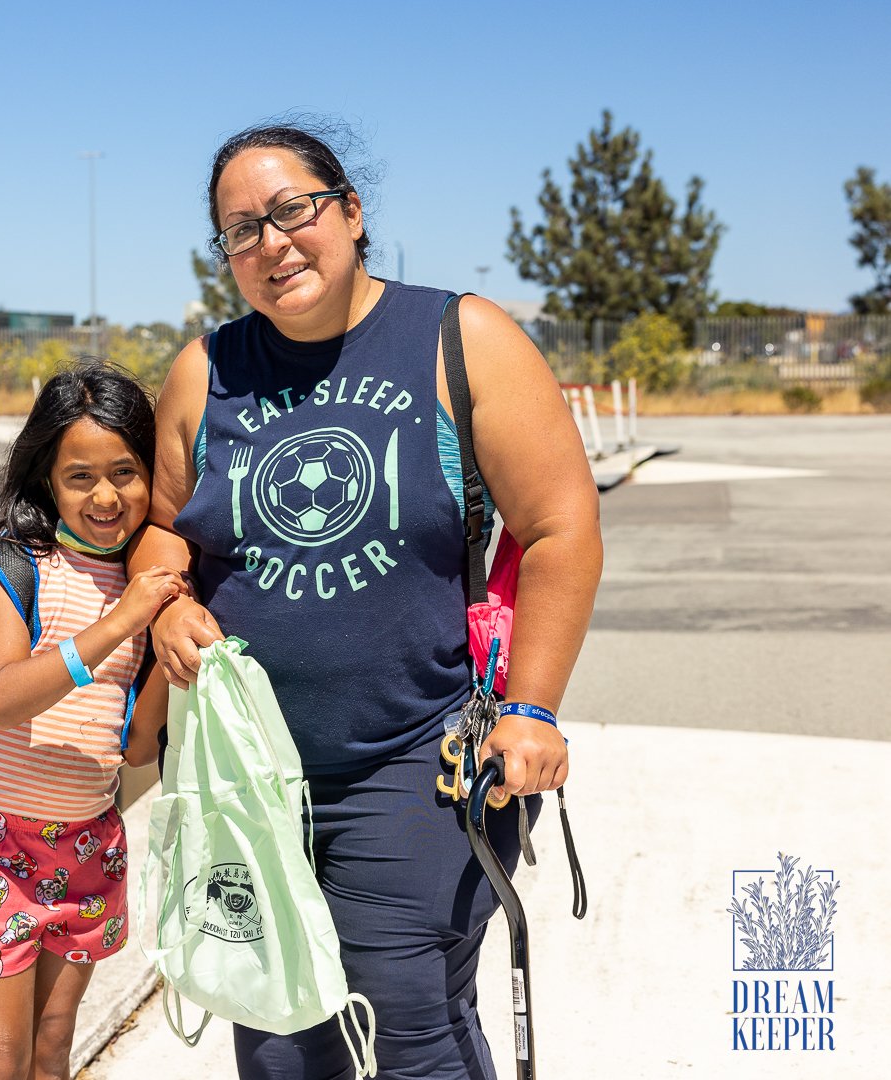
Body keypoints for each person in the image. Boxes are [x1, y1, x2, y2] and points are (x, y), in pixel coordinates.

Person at [132, 122, 603, 1080]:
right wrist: (167, 598)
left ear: (350, 212)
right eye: (240, 230)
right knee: (271, 1023)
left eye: (292, 211)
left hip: (414, 757)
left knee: (406, 1020)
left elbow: (561, 527)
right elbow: (162, 523)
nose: (271, 243)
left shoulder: (459, 338)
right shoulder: (205, 371)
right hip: (250, 776)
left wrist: (532, 709)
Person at [0, 359, 183, 1080]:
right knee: (0, 1058)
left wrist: (165, 638)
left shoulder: (142, 586)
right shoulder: (15, 568)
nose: (105, 495)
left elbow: (138, 747)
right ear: (47, 478)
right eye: (80, 477)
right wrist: (123, 622)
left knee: (51, 1053)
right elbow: (8, 696)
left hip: (86, 844)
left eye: (124, 472)